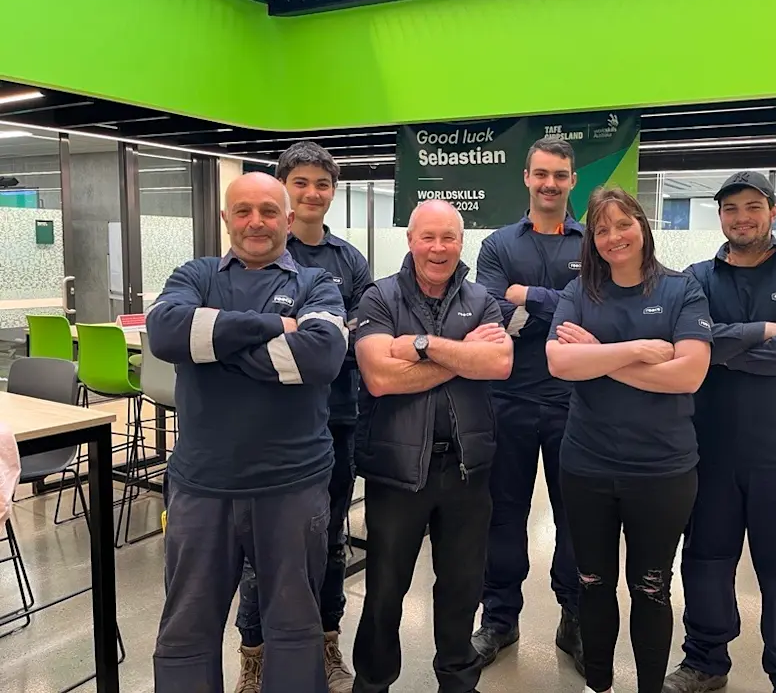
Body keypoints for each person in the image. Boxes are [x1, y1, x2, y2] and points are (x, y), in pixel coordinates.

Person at [148, 172, 349, 693]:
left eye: (268, 211)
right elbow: (165, 332)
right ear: (226, 218)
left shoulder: (316, 284)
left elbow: (321, 355)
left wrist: (213, 348)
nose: (255, 222)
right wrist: (272, 327)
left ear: (288, 219)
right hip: (201, 485)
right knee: (186, 630)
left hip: (292, 484)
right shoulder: (194, 274)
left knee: (295, 630)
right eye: (243, 211)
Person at [663, 170, 776, 693]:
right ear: (720, 216)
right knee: (705, 564)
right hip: (709, 455)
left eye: (753, 207)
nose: (742, 218)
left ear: (773, 211)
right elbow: (683, 346)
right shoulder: (695, 279)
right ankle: (705, 661)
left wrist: (717, 351)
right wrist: (760, 332)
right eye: (731, 209)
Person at [545, 187, 712, 693]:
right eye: (601, 229)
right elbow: (559, 362)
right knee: (593, 583)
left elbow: (689, 375)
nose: (613, 237)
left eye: (623, 224)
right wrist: (637, 350)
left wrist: (599, 356)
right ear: (591, 240)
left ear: (642, 226)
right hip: (587, 467)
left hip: (662, 471)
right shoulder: (580, 293)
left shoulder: (681, 289)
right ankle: (598, 683)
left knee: (650, 589)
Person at [351, 200, 514, 693]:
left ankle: (458, 681)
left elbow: (499, 364)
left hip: (467, 469)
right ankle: (373, 682)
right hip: (397, 470)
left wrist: (422, 346)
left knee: (462, 588)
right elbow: (380, 377)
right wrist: (465, 356)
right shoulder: (379, 297)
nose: (438, 249)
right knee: (384, 590)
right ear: (410, 241)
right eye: (428, 237)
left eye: (449, 238)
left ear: (461, 243)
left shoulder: (482, 299)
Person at [234, 143, 371, 693]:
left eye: (322, 183)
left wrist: (310, 338)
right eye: (301, 182)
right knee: (259, 547)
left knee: (330, 538)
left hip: (336, 418)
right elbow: (241, 333)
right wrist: (313, 337)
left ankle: (326, 643)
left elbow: (358, 339)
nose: (312, 193)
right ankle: (254, 655)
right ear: (283, 188)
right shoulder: (262, 247)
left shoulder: (349, 260)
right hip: (267, 423)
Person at [472, 137, 585, 672]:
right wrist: (563, 310)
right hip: (507, 401)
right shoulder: (497, 245)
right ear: (526, 178)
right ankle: (499, 618)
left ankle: (575, 617)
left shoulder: (593, 244)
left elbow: (597, 312)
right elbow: (493, 316)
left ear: (572, 181)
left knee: (577, 519)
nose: (550, 184)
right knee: (502, 515)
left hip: (576, 405)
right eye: (541, 174)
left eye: (560, 175)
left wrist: (528, 296)